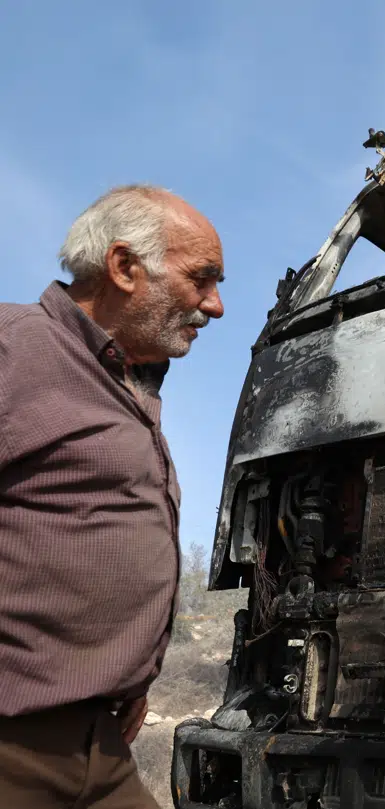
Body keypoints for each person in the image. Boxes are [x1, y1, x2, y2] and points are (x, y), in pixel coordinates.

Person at [0, 185, 225, 808]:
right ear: (124, 267)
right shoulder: (14, 348)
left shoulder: (130, 382)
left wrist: (128, 675)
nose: (217, 305)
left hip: (102, 740)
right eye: (202, 278)